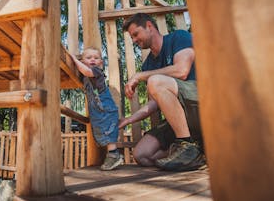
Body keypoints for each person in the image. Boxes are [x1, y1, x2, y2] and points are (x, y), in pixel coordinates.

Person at [119, 13, 205, 171]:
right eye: (132, 37)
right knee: (142, 154)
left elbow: (182, 70)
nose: (134, 40)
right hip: (179, 122)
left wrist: (140, 76)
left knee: (155, 80)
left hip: (200, 108)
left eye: (136, 34)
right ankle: (198, 153)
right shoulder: (148, 65)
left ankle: (188, 146)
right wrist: (130, 119)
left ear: (149, 26)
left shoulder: (179, 37)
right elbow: (154, 103)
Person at [71, 47, 123, 171]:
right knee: (101, 130)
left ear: (101, 62)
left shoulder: (97, 72)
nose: (93, 60)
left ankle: (114, 155)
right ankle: (112, 155)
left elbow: (87, 72)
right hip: (98, 109)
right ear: (83, 61)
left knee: (108, 131)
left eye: (96, 58)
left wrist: (74, 59)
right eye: (89, 58)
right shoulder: (85, 76)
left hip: (105, 107)